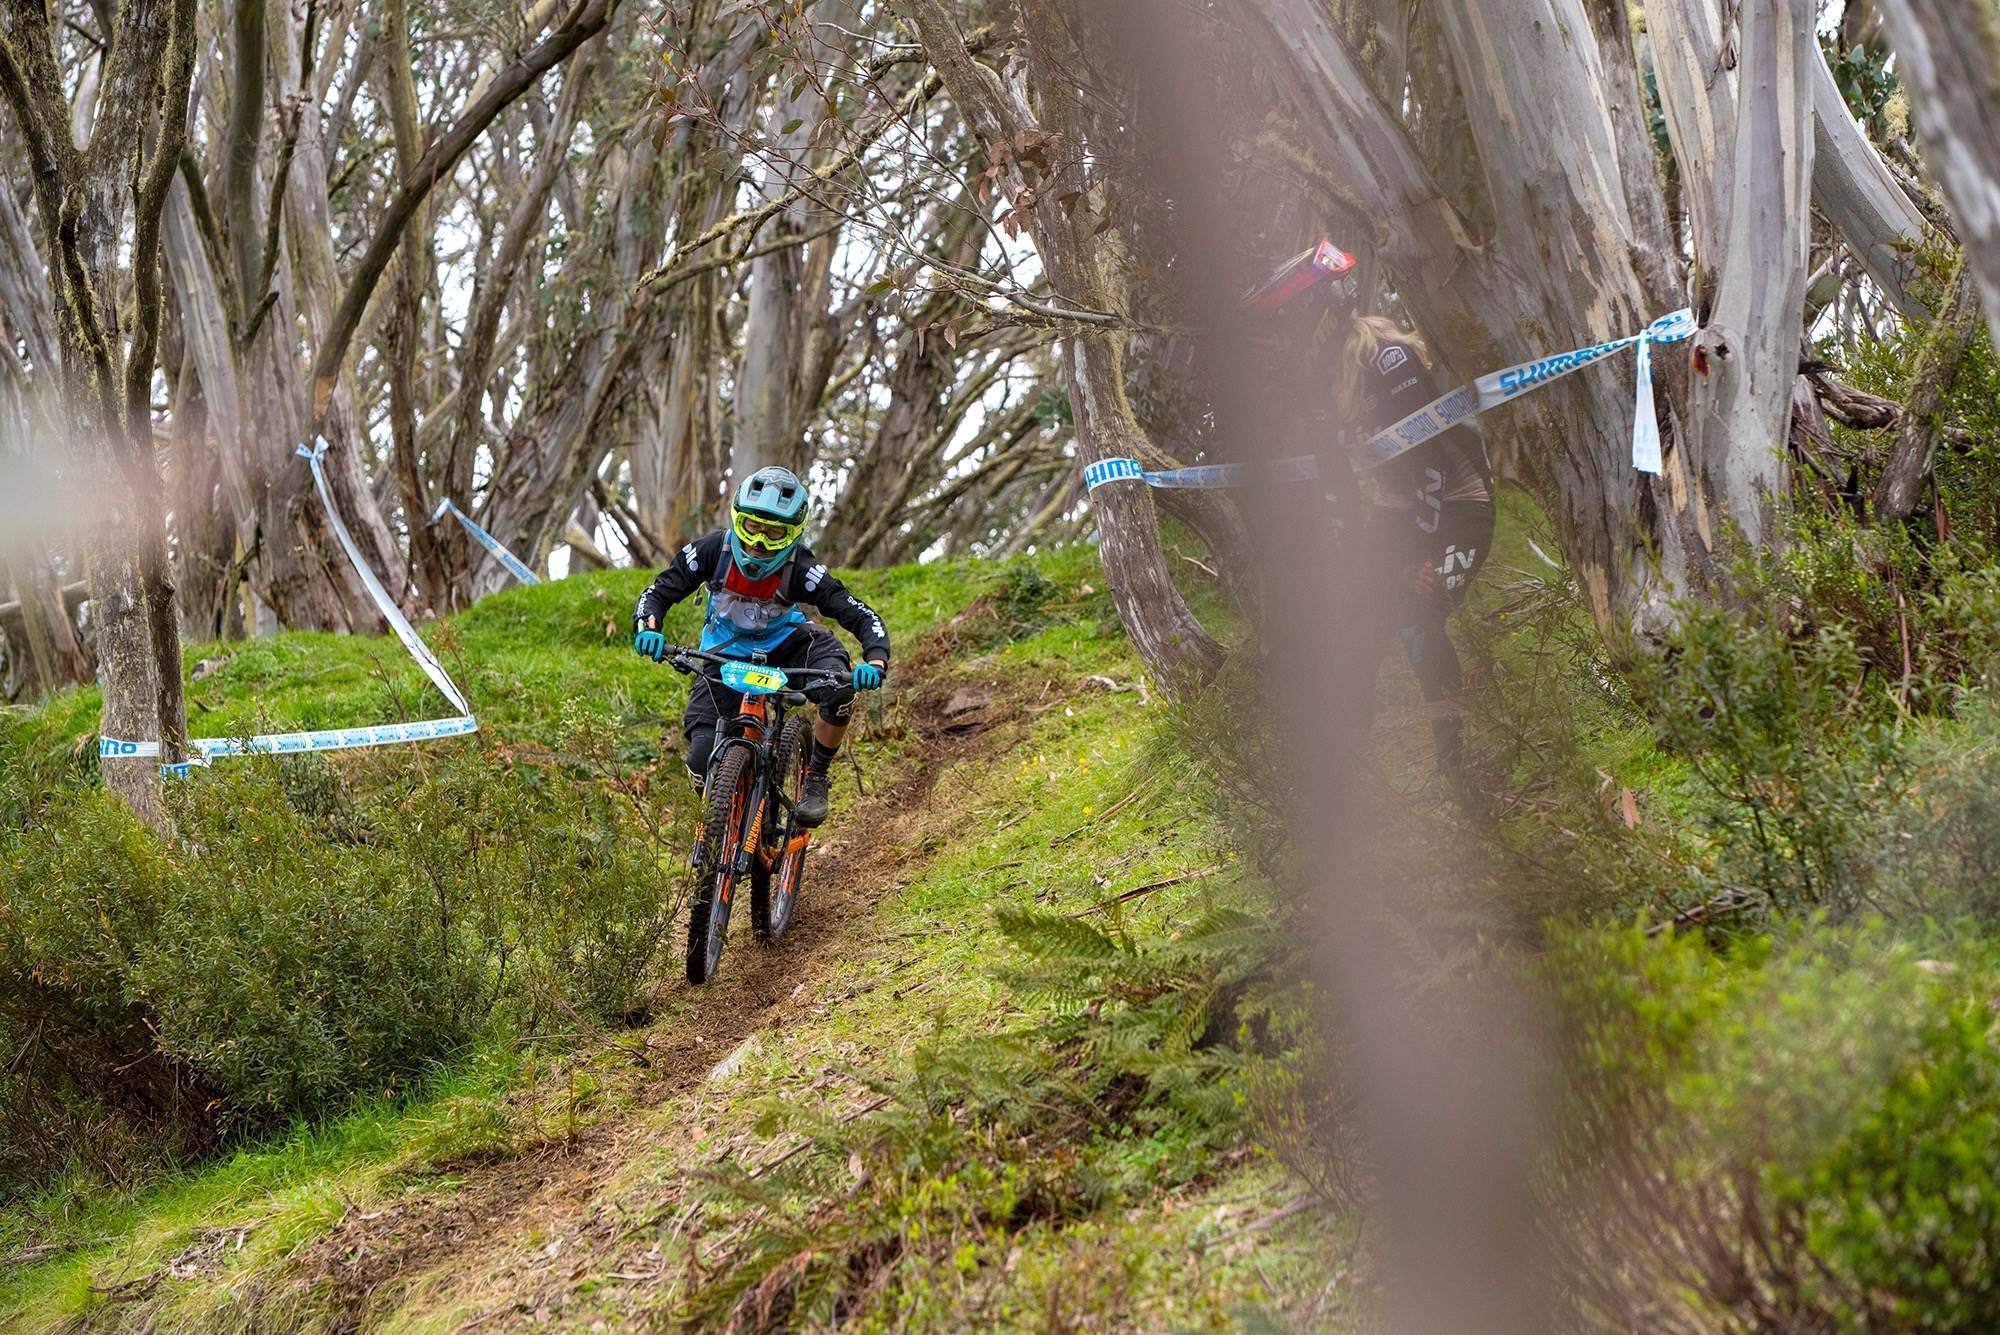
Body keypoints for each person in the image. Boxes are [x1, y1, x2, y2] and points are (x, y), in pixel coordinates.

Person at [1244, 239, 1496, 794]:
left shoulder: (1387, 357)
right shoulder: (1318, 380)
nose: (1287, 335)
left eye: (1292, 319)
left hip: (1454, 507)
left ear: (1321, 311)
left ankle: (1452, 770)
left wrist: (1422, 555)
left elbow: (1428, 456)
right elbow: (1339, 477)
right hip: (1394, 513)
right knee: (1359, 632)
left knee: (1418, 616)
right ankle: (1345, 780)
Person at [632, 466, 890, 828]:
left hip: (789, 643)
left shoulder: (801, 568)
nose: (759, 542)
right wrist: (649, 628)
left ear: (794, 535)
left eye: (774, 533)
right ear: (738, 519)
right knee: (700, 760)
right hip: (724, 651)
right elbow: (658, 592)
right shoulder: (711, 550)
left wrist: (875, 662)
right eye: (753, 526)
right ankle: (729, 819)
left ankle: (816, 776)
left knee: (841, 686)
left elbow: (860, 615)